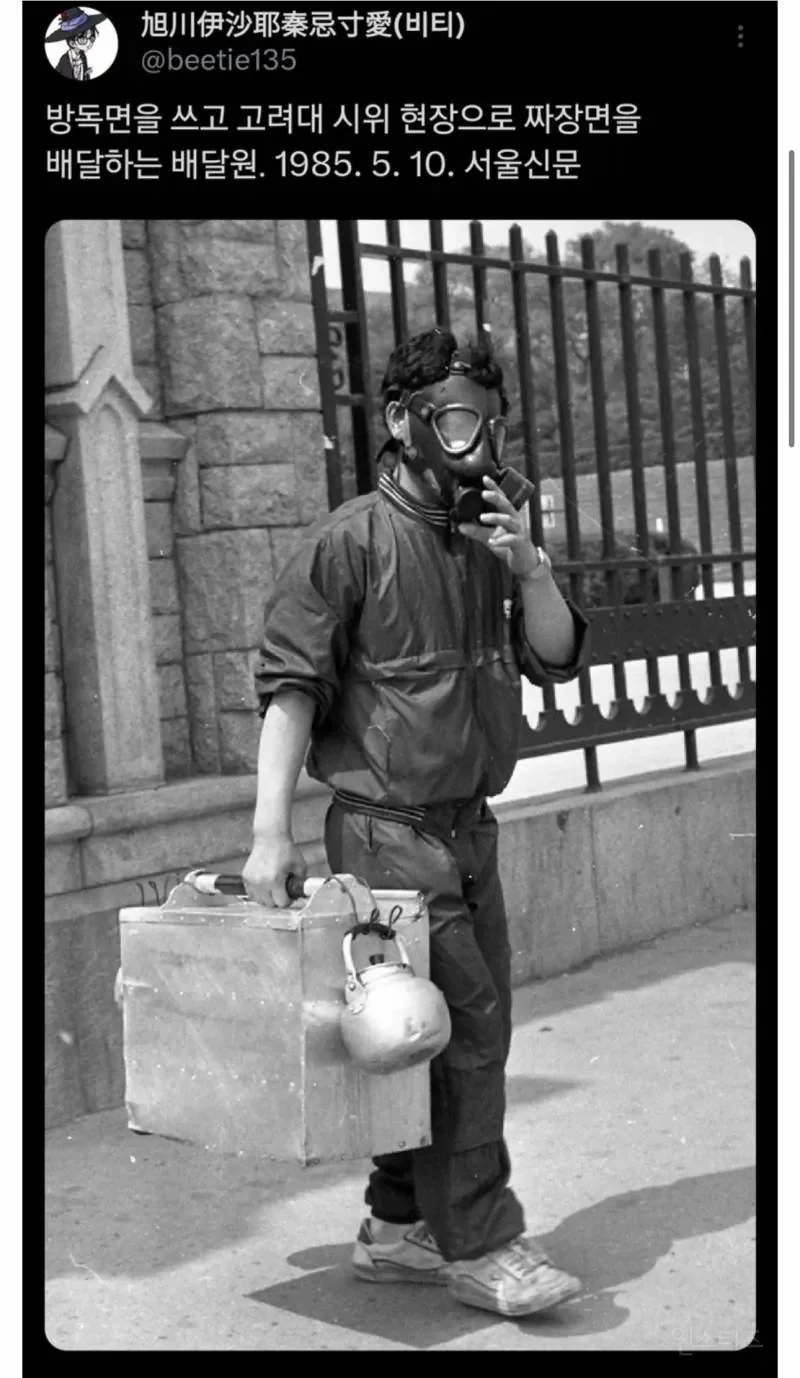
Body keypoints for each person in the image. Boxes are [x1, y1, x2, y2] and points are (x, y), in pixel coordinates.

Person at [244, 326, 590, 1318]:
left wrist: (529, 568)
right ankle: (481, 1244)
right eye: (456, 418)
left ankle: (397, 1224)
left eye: (488, 422)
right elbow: (291, 691)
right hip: (385, 832)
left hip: (467, 826)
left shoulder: (491, 534)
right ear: (402, 420)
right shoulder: (348, 543)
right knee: (465, 1034)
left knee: (423, 1032)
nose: (476, 442)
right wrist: (269, 833)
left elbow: (556, 653)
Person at [45, 7, 108, 81]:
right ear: (72, 43)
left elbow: (81, 74)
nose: (89, 43)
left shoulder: (83, 56)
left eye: (91, 37)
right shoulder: (64, 59)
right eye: (83, 40)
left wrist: (86, 73)